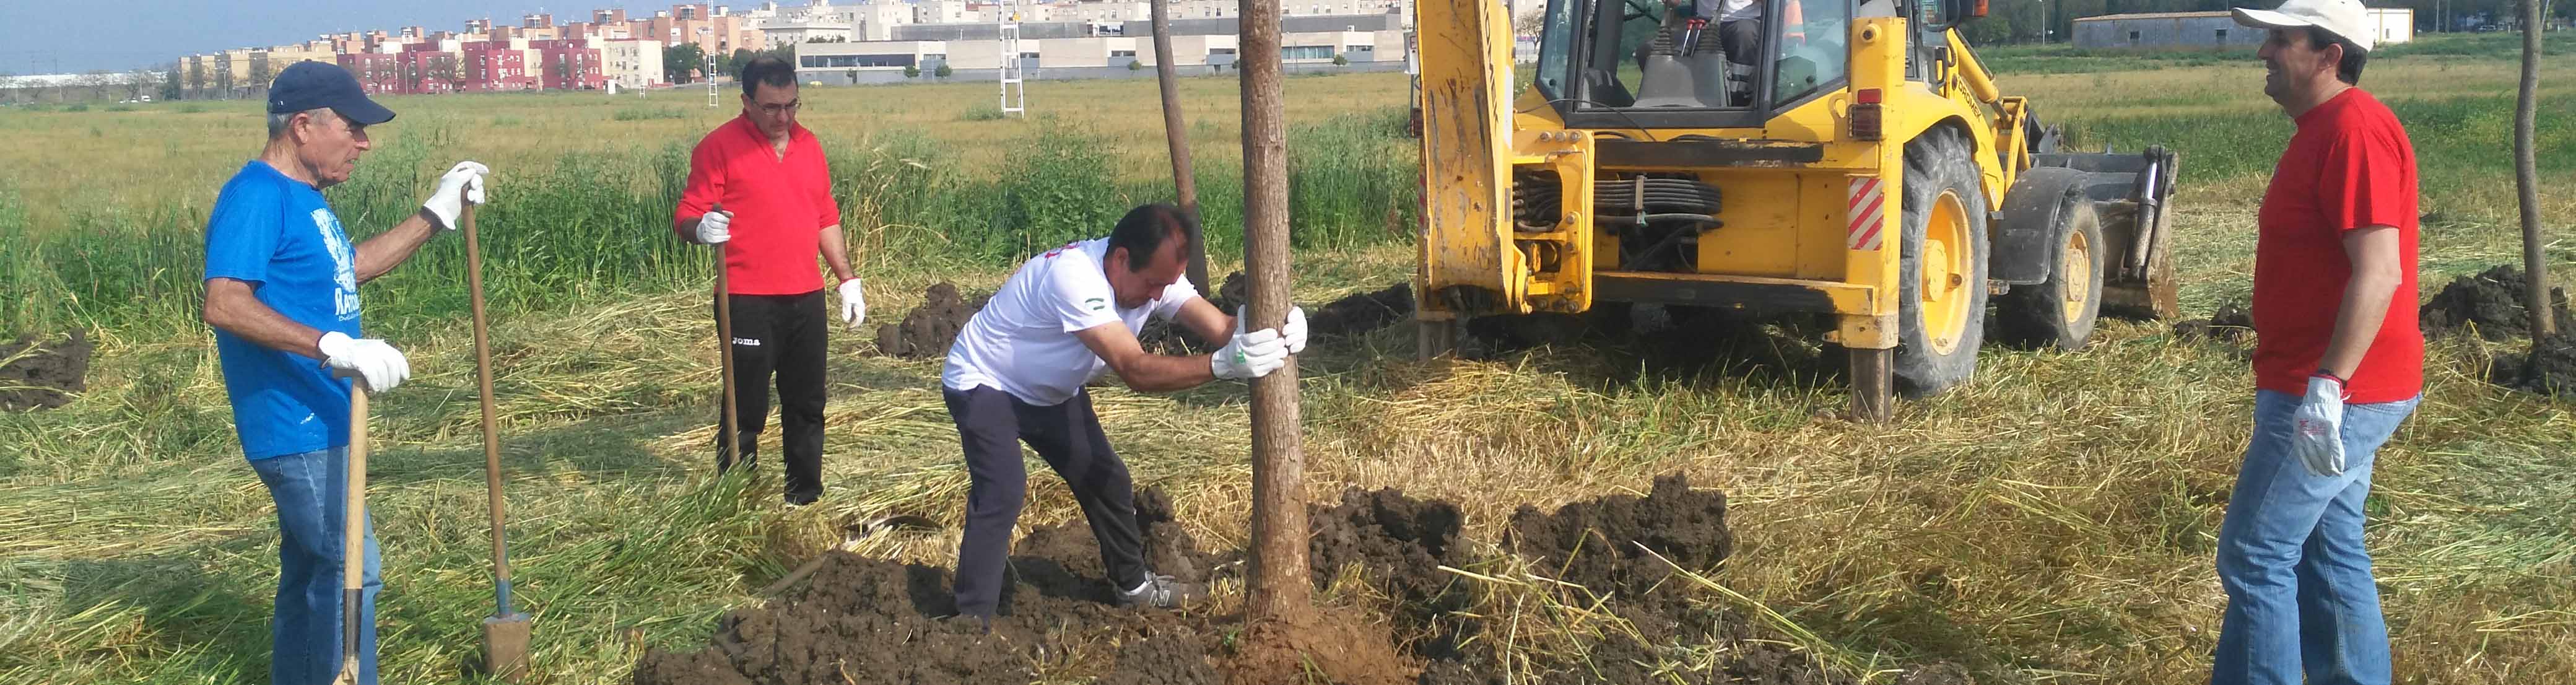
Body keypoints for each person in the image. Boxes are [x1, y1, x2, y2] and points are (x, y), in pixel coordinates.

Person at [199, 61, 488, 685]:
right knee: (351, 566)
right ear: (304, 126)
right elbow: (224, 301)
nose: (364, 142)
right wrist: (328, 341)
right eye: (353, 128)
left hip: (325, 417)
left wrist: (433, 215)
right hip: (292, 421)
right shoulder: (256, 196)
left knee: (310, 570)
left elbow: (345, 267)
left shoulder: (306, 202)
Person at [941, 204, 1305, 624]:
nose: (1157, 296)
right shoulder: (1074, 278)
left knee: (1106, 478)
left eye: (1165, 286)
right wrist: (1220, 366)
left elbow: (1222, 328)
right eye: (1152, 285)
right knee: (1003, 489)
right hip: (986, 381)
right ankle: (971, 619)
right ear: (1120, 259)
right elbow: (1135, 370)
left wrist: (1277, 328)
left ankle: (1133, 588)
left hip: (1051, 391)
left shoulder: (1156, 274)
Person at [2211, 1, 2421, 683]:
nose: (2263, 53)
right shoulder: (2322, 128)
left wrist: (2327, 385)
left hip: (2330, 388)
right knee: (2326, 551)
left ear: (2330, 54)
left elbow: (2379, 270)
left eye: (2280, 39)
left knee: (2255, 553)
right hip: (2325, 381)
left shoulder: (2352, 130)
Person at [672, 56, 867, 506]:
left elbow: (824, 215)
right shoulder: (718, 147)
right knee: (747, 410)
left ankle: (804, 498)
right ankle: (740, 501)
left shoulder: (810, 145)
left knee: (807, 404)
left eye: (792, 105)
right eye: (772, 108)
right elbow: (687, 213)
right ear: (746, 103)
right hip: (746, 300)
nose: (784, 118)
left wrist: (846, 278)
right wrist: (700, 229)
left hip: (805, 298)